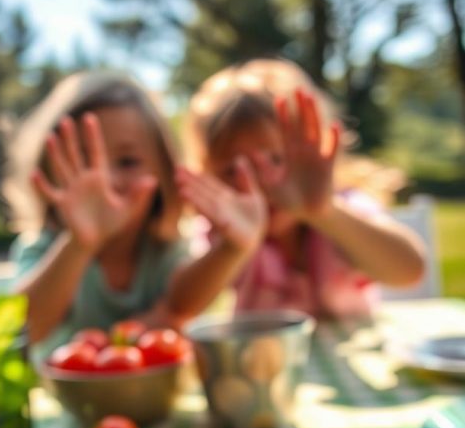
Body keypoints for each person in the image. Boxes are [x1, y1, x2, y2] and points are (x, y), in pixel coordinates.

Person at [173, 59, 426, 319]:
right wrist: (233, 247)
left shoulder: (341, 206)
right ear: (208, 174)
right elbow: (181, 307)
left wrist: (324, 211)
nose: (260, 184)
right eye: (232, 171)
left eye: (275, 159)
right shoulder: (226, 230)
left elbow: (410, 270)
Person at [4, 71, 199, 350]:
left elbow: (185, 309)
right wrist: (80, 244)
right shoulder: (43, 248)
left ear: (165, 172)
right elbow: (18, 335)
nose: (105, 182)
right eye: (86, 161)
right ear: (50, 168)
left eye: (128, 161)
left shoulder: (167, 252)